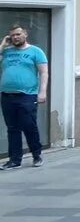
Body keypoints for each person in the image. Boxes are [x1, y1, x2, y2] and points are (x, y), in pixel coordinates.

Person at [1, 26, 48, 170]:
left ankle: (36, 155)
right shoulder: (6, 52)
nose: (16, 37)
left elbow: (44, 72)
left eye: (18, 34)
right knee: (12, 128)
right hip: (7, 95)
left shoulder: (35, 51)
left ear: (25, 34)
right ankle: (15, 160)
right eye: (13, 35)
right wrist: (2, 45)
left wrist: (42, 92)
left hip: (27, 95)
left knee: (29, 126)